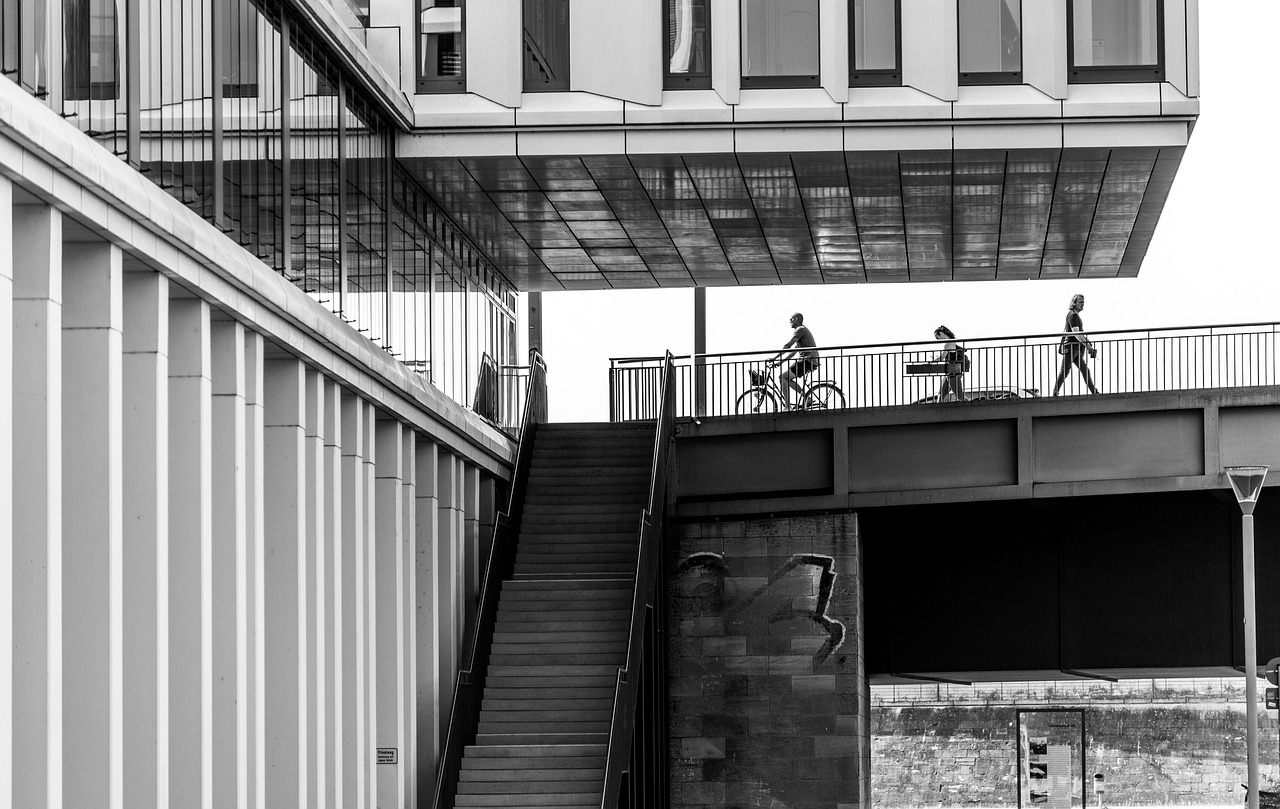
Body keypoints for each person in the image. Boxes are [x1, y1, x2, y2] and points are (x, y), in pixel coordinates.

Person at [767, 312, 819, 409]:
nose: (789, 321)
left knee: (783, 377)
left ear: (796, 320)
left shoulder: (800, 329)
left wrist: (774, 358)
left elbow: (788, 346)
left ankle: (787, 406)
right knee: (786, 378)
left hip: (807, 361)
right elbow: (793, 352)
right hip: (808, 361)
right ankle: (807, 399)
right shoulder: (801, 332)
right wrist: (779, 362)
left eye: (791, 319)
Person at [1052, 293, 1099, 396]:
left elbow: (1078, 333)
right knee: (1065, 371)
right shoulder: (1073, 315)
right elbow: (1076, 333)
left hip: (1075, 348)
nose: (1082, 304)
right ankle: (1055, 392)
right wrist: (1088, 345)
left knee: (1084, 370)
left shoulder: (1075, 315)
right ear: (1074, 303)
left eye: (1083, 302)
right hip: (1071, 347)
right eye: (1080, 302)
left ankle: (1094, 391)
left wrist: (1087, 344)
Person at [933, 325, 966, 402]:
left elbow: (942, 357)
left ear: (941, 333)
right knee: (940, 397)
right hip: (949, 373)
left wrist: (931, 361)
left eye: (937, 337)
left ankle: (973, 408)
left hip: (953, 373)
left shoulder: (948, 343)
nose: (938, 339)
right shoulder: (951, 342)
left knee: (960, 396)